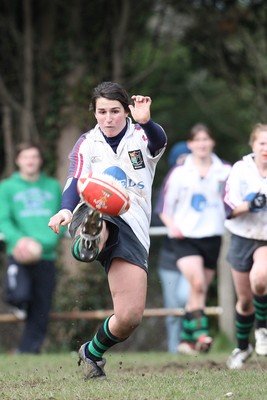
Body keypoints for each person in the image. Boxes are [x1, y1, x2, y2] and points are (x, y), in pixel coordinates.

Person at [48, 81, 167, 379]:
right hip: (93, 209)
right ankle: (89, 239)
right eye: (102, 112)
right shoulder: (87, 144)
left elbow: (159, 141)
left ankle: (92, 352)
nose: (108, 118)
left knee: (129, 317)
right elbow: (75, 180)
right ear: (95, 113)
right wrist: (65, 209)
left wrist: (147, 121)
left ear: (126, 111)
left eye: (115, 111)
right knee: (98, 218)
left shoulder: (142, 136)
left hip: (133, 224)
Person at [159, 123, 231, 355]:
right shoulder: (179, 173)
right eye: (197, 140)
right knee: (197, 283)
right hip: (185, 237)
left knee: (197, 291)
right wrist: (173, 226)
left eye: (206, 139)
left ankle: (187, 341)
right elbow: (164, 208)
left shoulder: (225, 171)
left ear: (212, 142)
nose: (202, 144)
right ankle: (201, 333)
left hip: (212, 236)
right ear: (190, 144)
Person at [0, 142, 63, 353]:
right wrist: (19, 240)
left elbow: (61, 218)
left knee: (41, 309)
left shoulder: (53, 186)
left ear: (40, 160)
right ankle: (19, 305)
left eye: (34, 157)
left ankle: (28, 352)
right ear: (18, 160)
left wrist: (48, 242)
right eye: (26, 157)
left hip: (46, 255)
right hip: (19, 253)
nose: (30, 161)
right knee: (19, 295)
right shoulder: (7, 187)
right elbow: (3, 220)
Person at [224, 123, 267, 369]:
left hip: (265, 238)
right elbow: (229, 207)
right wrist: (251, 205)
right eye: (262, 143)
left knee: (260, 279)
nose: (266, 148)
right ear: (253, 145)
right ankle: (243, 347)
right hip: (242, 236)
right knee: (245, 300)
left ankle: (262, 330)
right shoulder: (241, 169)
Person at [154, 141, 191, 353]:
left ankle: (191, 343)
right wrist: (173, 223)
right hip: (169, 258)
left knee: (187, 298)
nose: (185, 164)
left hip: (193, 253)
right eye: (181, 160)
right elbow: (156, 218)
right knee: (172, 308)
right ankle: (173, 351)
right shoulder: (166, 188)